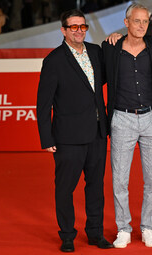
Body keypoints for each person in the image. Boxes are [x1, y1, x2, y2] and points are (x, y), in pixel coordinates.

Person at [36, 9, 112, 252]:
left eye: (83, 26)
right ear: (64, 30)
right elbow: (43, 104)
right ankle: (67, 235)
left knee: (95, 188)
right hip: (68, 137)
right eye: (74, 27)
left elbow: (97, 86)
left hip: (98, 134)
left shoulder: (96, 52)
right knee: (65, 189)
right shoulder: (54, 60)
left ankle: (95, 233)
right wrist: (46, 138)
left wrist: (113, 41)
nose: (79, 31)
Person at [101, 3, 152, 248]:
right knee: (119, 180)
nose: (141, 26)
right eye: (136, 21)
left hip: (151, 118)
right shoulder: (111, 47)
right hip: (122, 119)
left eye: (145, 21)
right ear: (126, 22)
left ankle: (148, 227)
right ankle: (124, 228)